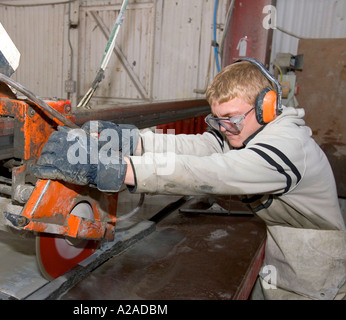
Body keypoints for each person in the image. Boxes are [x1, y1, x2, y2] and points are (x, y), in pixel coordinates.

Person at [31, 58, 346, 300]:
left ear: (267, 107)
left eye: (232, 119)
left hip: (314, 271)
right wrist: (132, 141)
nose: (224, 129)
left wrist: (119, 170)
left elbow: (213, 173)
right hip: (283, 253)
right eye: (217, 120)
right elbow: (200, 146)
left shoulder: (287, 147)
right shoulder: (246, 132)